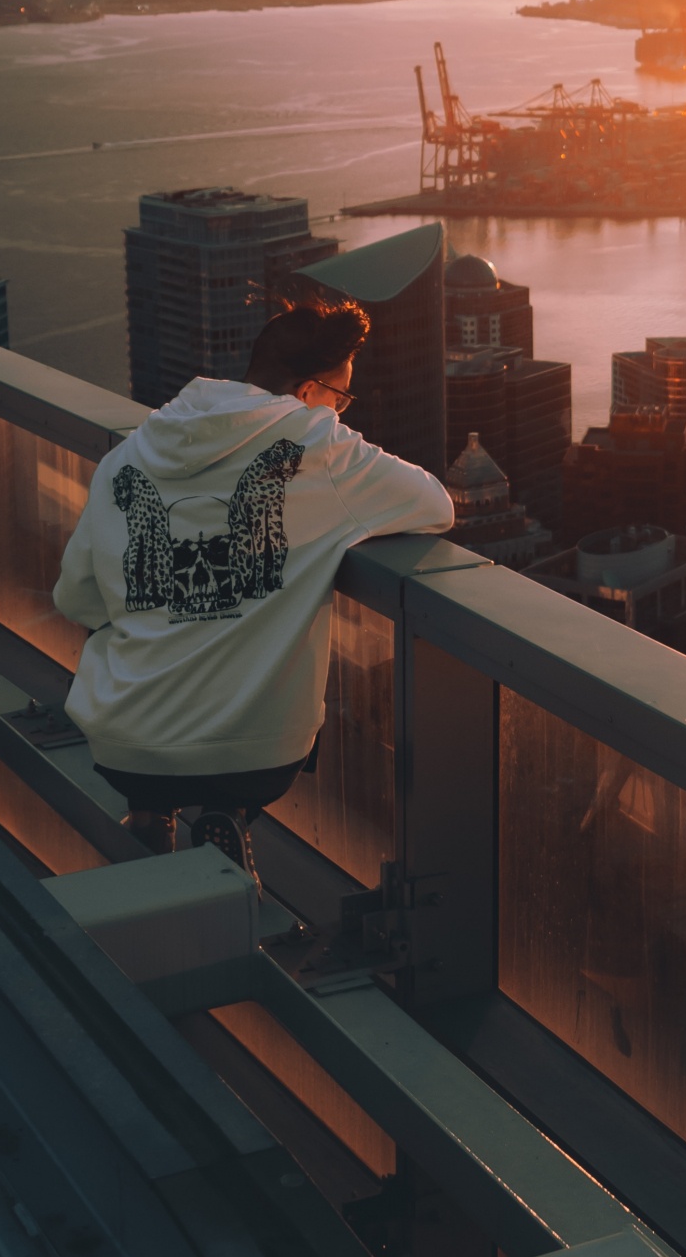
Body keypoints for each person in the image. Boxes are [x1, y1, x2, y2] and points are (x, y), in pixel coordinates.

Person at [53, 297, 453, 878]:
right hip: (256, 757)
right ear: (310, 390)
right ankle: (230, 814)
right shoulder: (317, 446)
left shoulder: (129, 455)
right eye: (340, 398)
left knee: (144, 684)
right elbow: (435, 505)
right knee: (253, 710)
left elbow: (75, 599)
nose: (340, 412)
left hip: (125, 749)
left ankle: (149, 814)